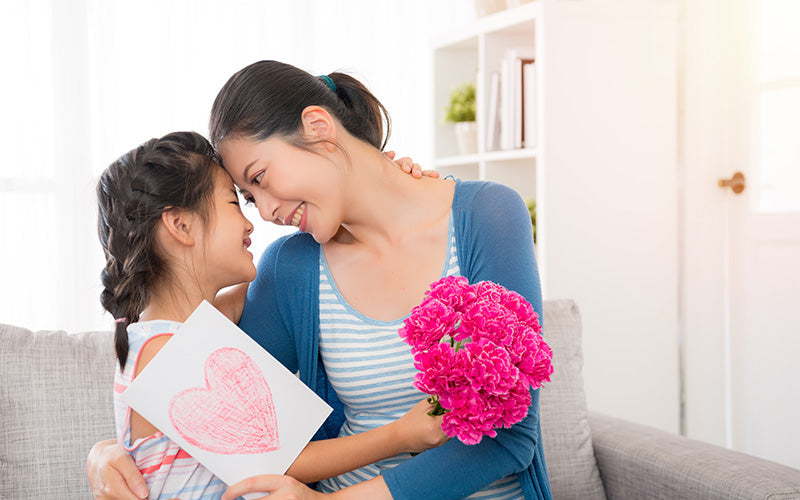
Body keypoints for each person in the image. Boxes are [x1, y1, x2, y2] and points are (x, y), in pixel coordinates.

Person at [90, 60, 552, 500]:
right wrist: (107, 451)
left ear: (318, 127)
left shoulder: (487, 216)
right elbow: (214, 412)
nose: (267, 212)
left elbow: (510, 438)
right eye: (248, 199)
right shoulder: (289, 268)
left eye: (261, 177)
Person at [93, 131, 448, 500]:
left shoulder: (191, 328)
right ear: (181, 226)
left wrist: (371, 199)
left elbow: (278, 282)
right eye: (234, 203)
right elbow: (280, 461)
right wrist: (400, 435)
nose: (251, 223)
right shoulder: (164, 350)